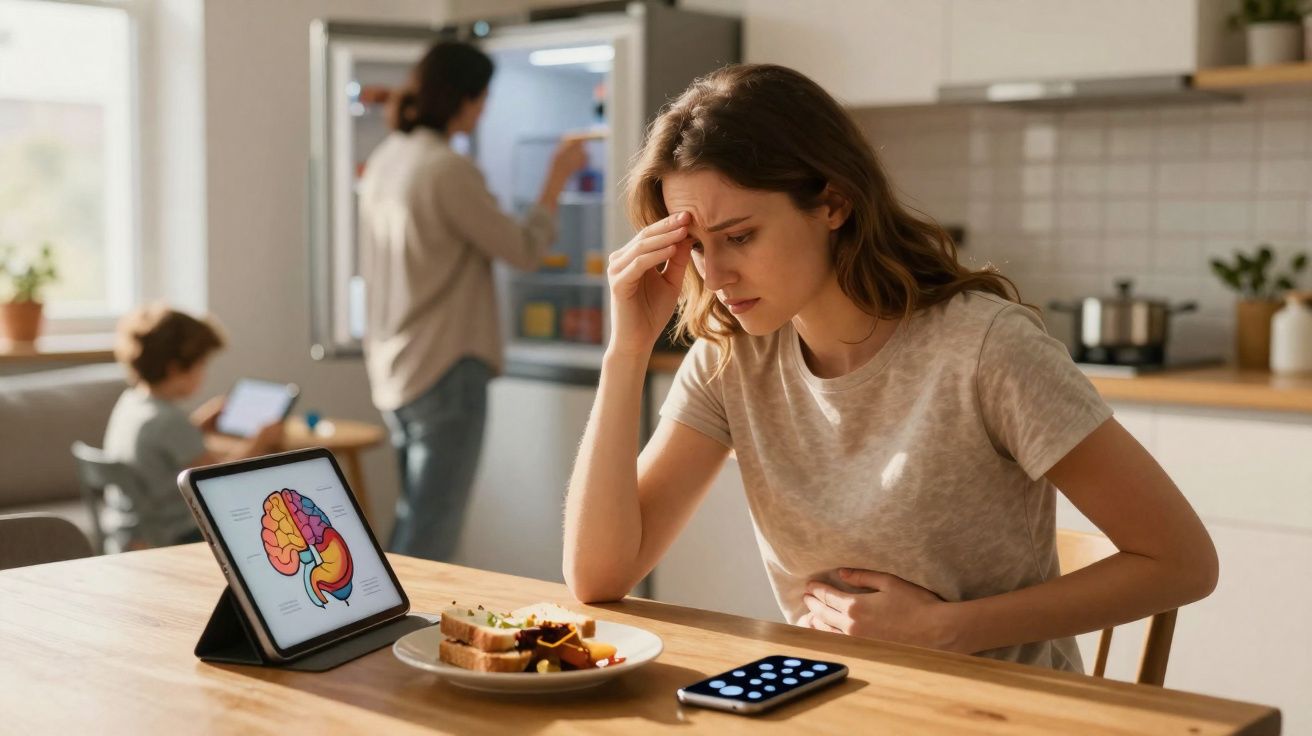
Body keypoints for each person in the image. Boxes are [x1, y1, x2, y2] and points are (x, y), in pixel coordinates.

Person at [562, 64, 1218, 672]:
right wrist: (627, 352)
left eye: (739, 236)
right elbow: (598, 577)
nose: (717, 274)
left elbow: (1183, 562)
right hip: (833, 701)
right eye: (697, 247)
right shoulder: (733, 357)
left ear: (833, 202)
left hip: (1001, 713)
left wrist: (945, 629)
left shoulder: (985, 349)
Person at [358, 41, 587, 561]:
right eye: (482, 98)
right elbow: (524, 249)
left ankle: (388, 625)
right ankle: (408, 635)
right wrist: (556, 177)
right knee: (433, 528)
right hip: (446, 364)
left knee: (415, 516)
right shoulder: (446, 170)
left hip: (396, 364)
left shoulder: (388, 158)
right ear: (462, 98)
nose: (484, 110)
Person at [104, 304, 283, 550]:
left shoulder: (132, 403)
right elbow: (219, 479)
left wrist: (196, 425)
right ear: (176, 368)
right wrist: (259, 441)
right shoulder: (169, 421)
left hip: (129, 533)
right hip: (169, 537)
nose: (204, 373)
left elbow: (160, 447)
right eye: (201, 365)